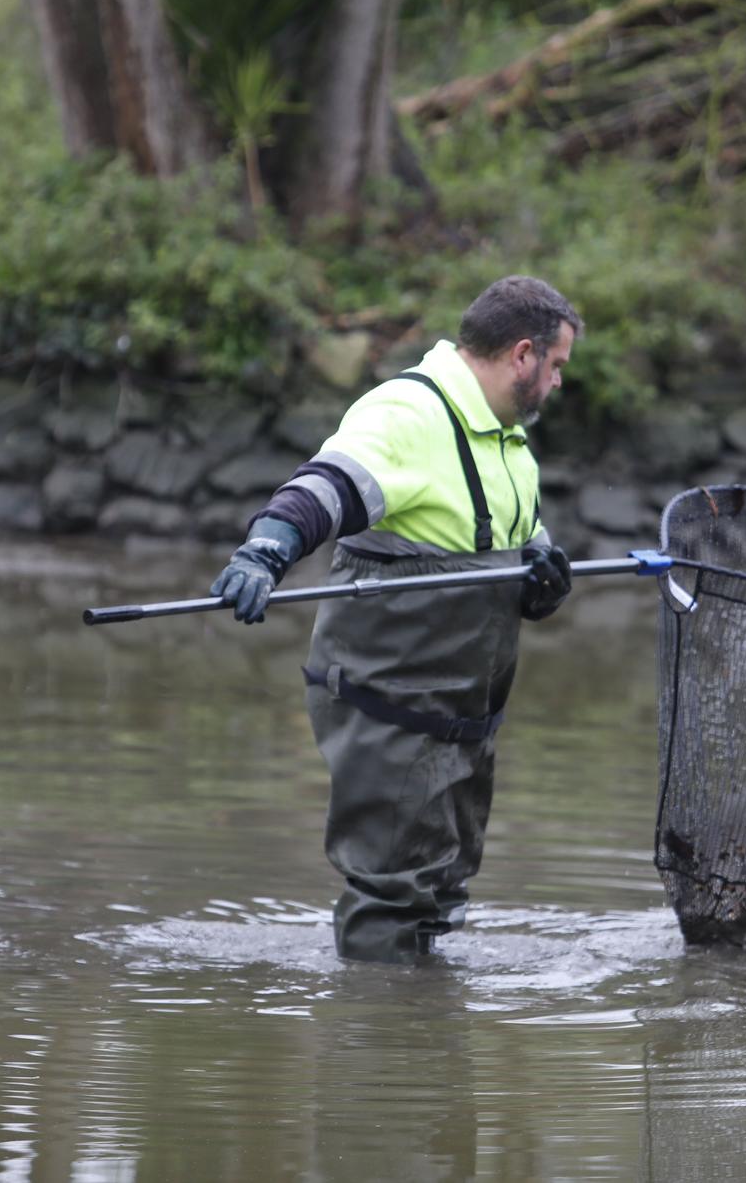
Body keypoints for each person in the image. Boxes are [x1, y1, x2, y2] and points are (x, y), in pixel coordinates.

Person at [210, 275, 582, 962]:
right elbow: (328, 486)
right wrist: (266, 549)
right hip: (388, 712)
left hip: (462, 724)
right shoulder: (407, 413)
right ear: (523, 354)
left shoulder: (509, 445)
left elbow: (515, 548)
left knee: (438, 896)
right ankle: (373, 1052)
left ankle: (422, 1049)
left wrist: (542, 579)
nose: (558, 383)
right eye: (556, 365)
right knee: (389, 897)